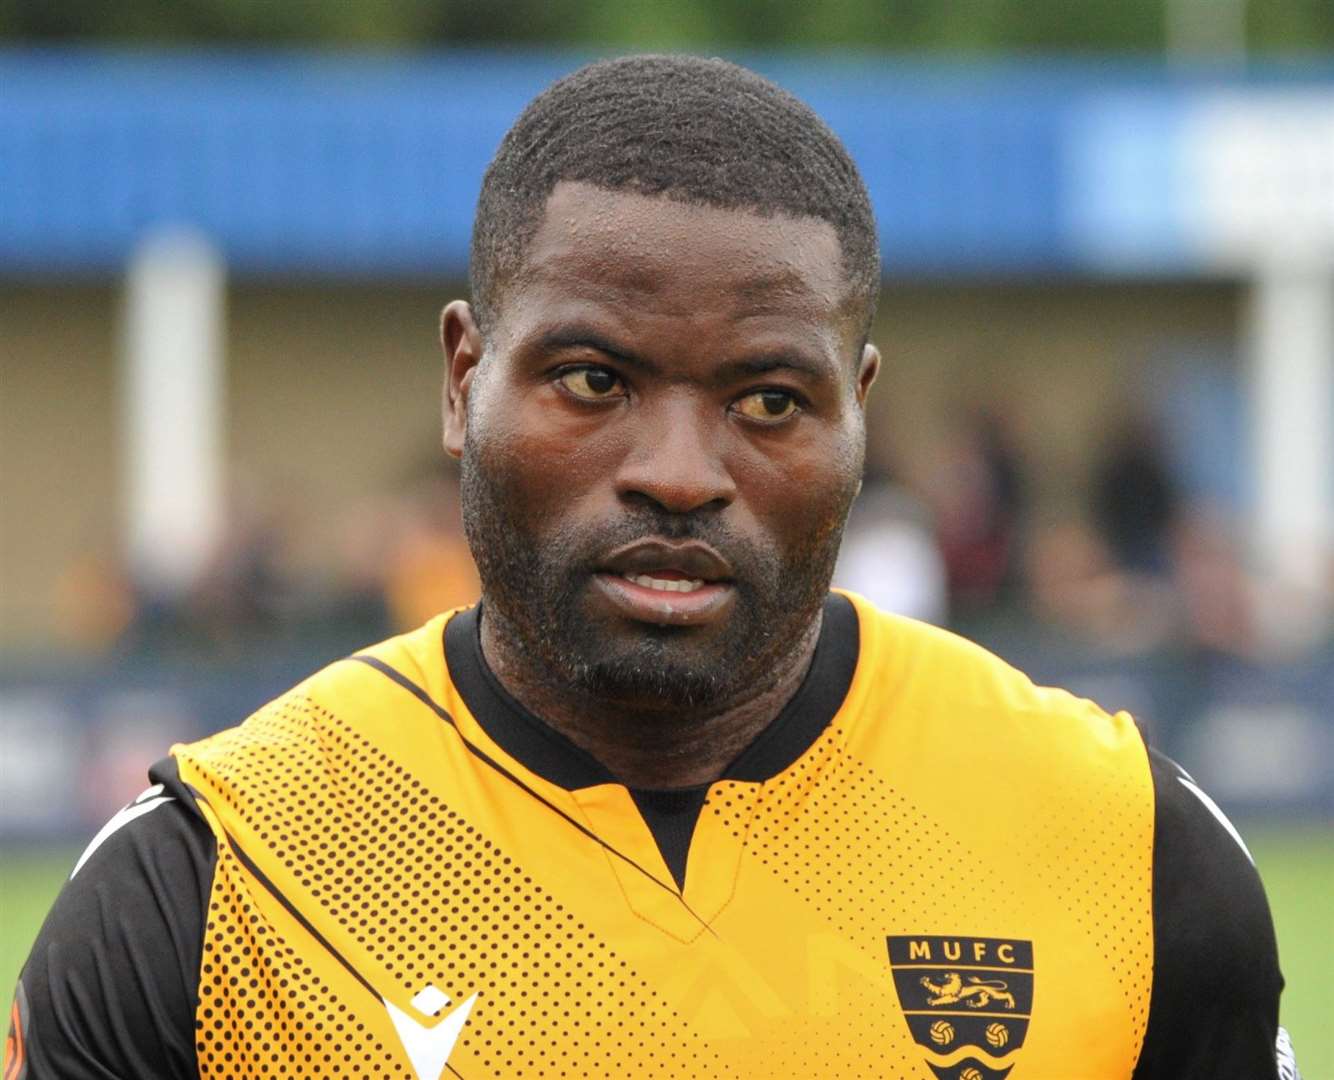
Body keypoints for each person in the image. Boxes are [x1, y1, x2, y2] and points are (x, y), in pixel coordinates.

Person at [8, 56, 1299, 1080]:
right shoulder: (215, 874)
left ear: (857, 414)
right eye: (592, 380)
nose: (679, 471)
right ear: (466, 381)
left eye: (769, 399)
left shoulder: (1125, 843)